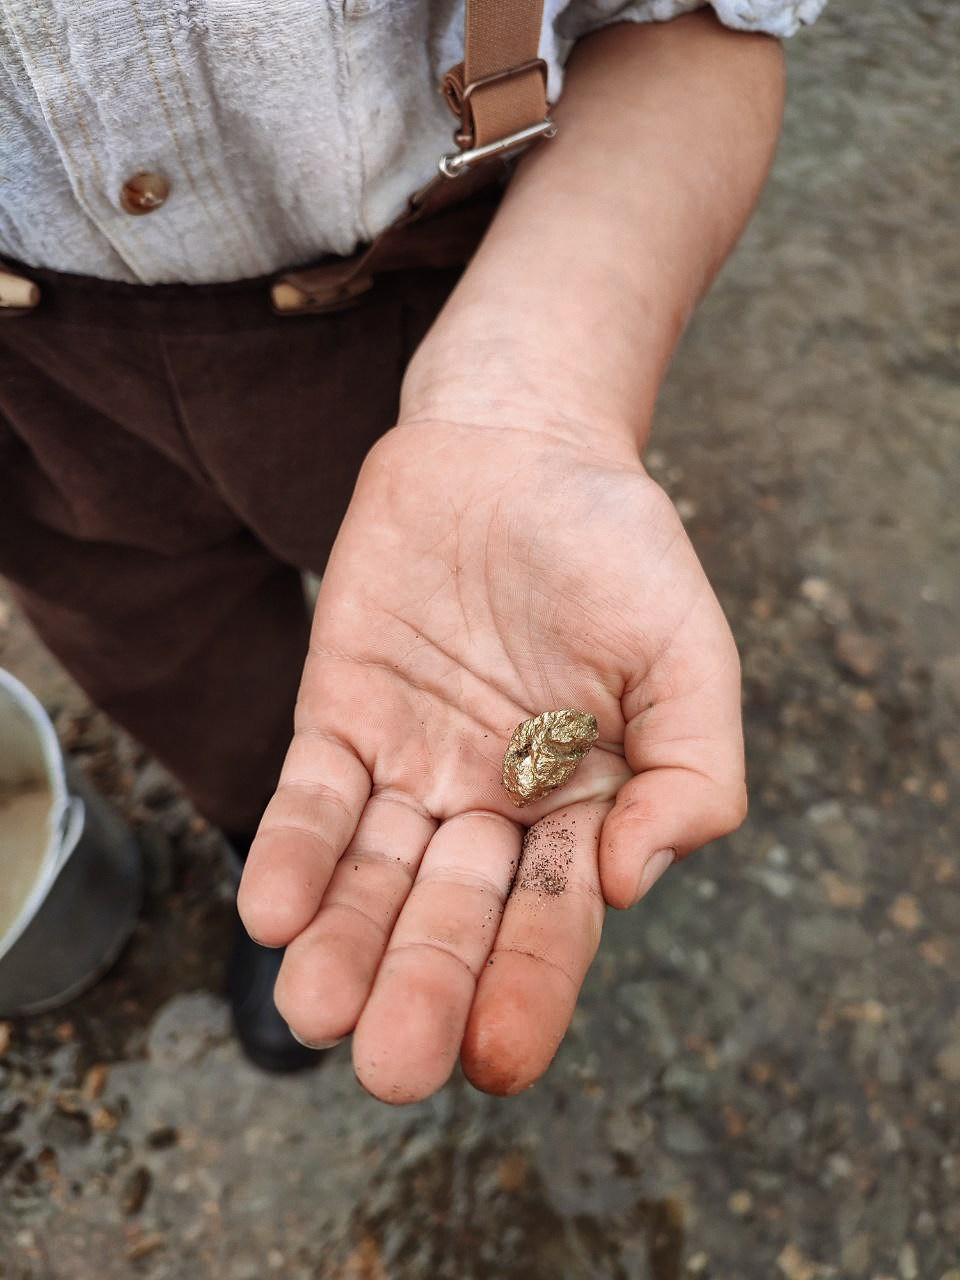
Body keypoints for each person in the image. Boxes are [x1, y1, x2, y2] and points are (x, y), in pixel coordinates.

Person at [0, 0, 824, 1096]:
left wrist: (541, 401)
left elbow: (690, 28)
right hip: (35, 404)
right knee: (168, 663)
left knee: (394, 649)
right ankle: (263, 840)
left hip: (442, 327)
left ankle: (321, 861)